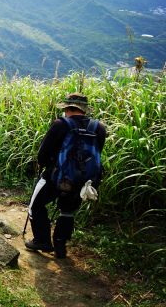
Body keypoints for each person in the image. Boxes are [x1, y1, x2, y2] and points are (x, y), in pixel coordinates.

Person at [26, 93, 106, 258]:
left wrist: (47, 165)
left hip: (56, 177)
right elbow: (97, 154)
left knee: (36, 205)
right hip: (84, 181)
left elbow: (42, 155)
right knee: (67, 211)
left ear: (67, 108)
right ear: (84, 110)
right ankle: (60, 246)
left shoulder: (60, 124)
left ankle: (42, 241)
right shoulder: (99, 128)